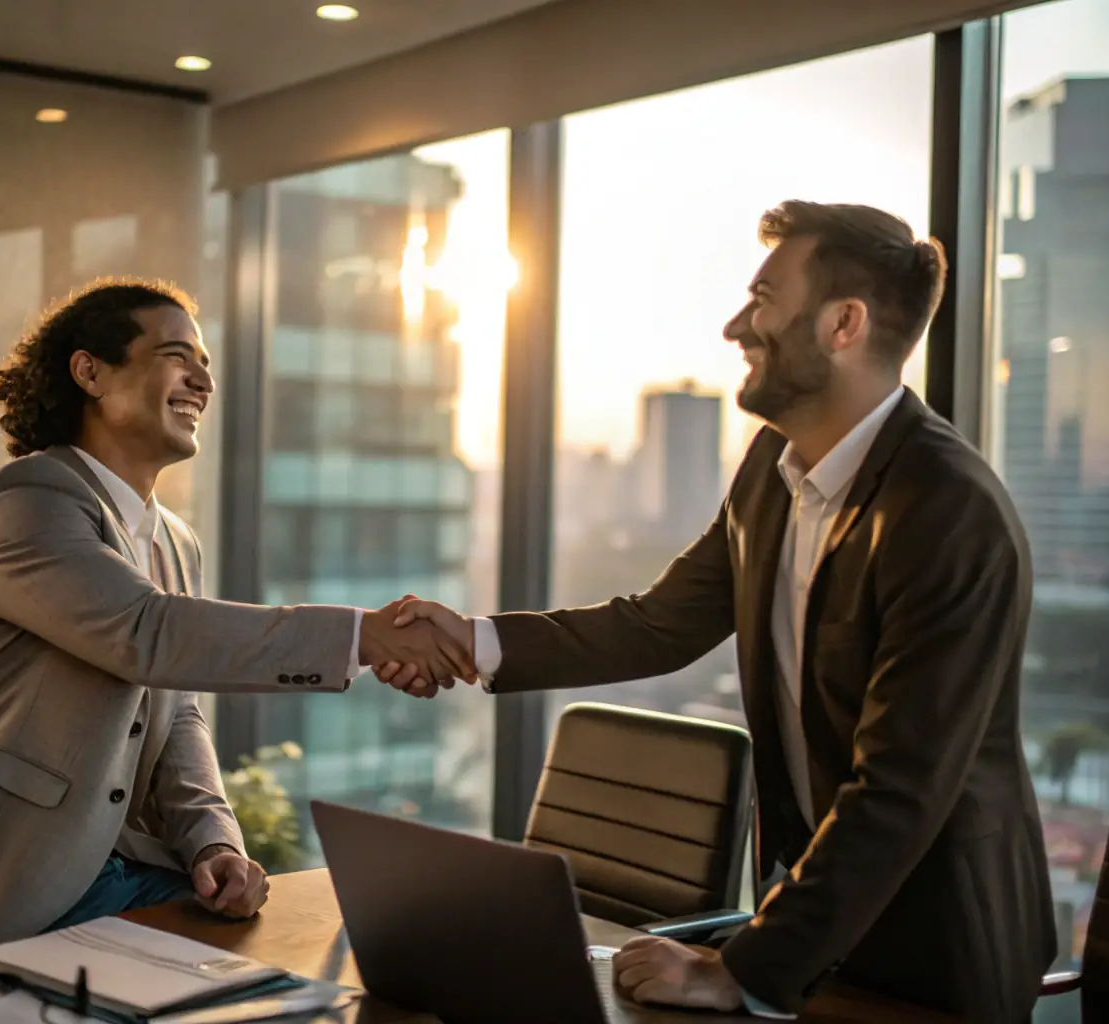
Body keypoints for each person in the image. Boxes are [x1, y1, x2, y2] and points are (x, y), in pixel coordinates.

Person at [383, 202, 1056, 1021]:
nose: (738, 325)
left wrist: (739, 971)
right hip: (814, 933)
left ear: (844, 324)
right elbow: (658, 623)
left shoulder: (946, 512)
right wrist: (477, 642)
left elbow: (898, 790)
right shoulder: (773, 463)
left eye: (764, 298)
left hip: (933, 950)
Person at [0, 278, 470, 958]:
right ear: (90, 371)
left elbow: (176, 713)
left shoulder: (174, 541)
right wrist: (366, 635)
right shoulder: (24, 502)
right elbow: (146, 634)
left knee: (313, 974)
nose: (202, 381)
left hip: (124, 880)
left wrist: (213, 841)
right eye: (177, 355)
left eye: (205, 363)